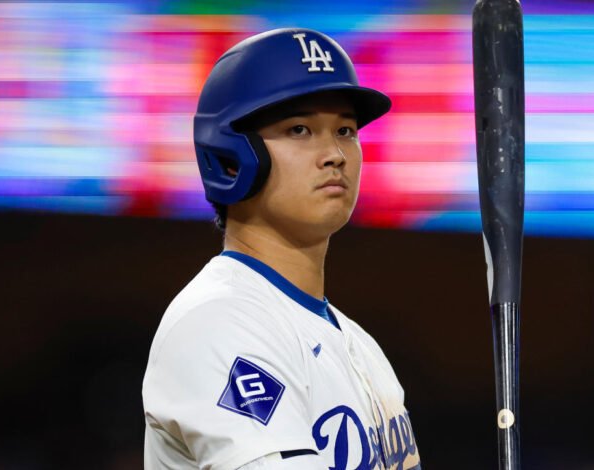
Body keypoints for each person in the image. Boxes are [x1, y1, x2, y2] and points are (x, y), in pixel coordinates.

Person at [142, 28, 421, 470]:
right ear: (232, 154)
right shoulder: (215, 322)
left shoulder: (359, 345)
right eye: (300, 129)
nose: (334, 153)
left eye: (346, 130)